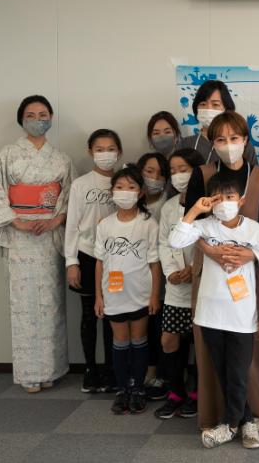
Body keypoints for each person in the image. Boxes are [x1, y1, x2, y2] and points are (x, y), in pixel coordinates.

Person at [184, 111, 259, 431]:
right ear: (212, 143)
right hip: (209, 270)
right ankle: (217, 416)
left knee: (248, 352)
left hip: (249, 273)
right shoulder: (202, 174)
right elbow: (190, 224)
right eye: (220, 139)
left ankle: (251, 415)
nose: (228, 144)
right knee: (211, 348)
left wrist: (249, 255)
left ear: (245, 140)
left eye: (234, 138)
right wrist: (210, 250)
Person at [169, 172, 259, 449]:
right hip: (209, 313)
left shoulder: (257, 232)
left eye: (230, 197)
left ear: (241, 200)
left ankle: (228, 427)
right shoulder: (204, 226)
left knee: (238, 374)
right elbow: (175, 240)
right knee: (224, 374)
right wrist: (195, 210)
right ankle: (247, 422)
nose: (225, 203)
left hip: (242, 315)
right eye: (218, 198)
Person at [0, 95, 74, 393]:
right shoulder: (8, 154)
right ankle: (28, 373)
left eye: (43, 114)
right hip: (19, 236)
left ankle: (51, 370)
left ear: (51, 118)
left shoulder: (62, 159)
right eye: (31, 115)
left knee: (51, 304)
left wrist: (54, 221)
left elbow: (69, 197)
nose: (38, 120)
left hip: (49, 237)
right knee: (23, 304)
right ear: (21, 119)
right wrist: (17, 221)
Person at [93, 166, 162, 415]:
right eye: (120, 187)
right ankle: (122, 390)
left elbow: (155, 263)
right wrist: (98, 296)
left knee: (139, 340)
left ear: (141, 192)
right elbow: (99, 263)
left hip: (141, 294)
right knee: (120, 341)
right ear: (112, 192)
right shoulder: (105, 225)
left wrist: (155, 295)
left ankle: (138, 390)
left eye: (131, 187)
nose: (125, 192)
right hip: (113, 295)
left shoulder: (148, 223)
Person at [65, 129, 121, 394]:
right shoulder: (81, 184)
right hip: (86, 255)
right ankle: (90, 370)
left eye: (111, 149)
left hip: (116, 257)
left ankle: (110, 369)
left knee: (111, 316)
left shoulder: (124, 183)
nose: (105, 154)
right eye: (99, 149)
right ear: (90, 153)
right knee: (89, 314)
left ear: (119, 152)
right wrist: (71, 262)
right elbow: (72, 226)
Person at [154, 148, 204, 419]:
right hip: (175, 288)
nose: (177, 175)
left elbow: (211, 241)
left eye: (183, 169)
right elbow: (164, 242)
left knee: (201, 344)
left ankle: (198, 394)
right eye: (172, 171)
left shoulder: (207, 205)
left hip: (201, 286)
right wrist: (171, 271)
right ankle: (176, 393)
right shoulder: (169, 206)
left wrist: (194, 268)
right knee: (169, 340)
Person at [134, 152, 170, 400]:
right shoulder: (130, 202)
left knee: (161, 326)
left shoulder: (170, 204)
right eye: (149, 171)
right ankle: (147, 370)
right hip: (135, 277)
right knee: (140, 327)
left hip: (164, 277)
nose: (154, 178)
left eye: (160, 173)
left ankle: (163, 374)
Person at [174, 79, 259, 166]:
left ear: (226, 109)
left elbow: (253, 173)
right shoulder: (185, 144)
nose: (208, 109)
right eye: (203, 104)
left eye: (215, 104)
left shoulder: (241, 144)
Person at [136, 152, 169, 221]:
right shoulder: (132, 200)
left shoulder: (169, 202)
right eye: (149, 171)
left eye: (162, 174)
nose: (155, 177)